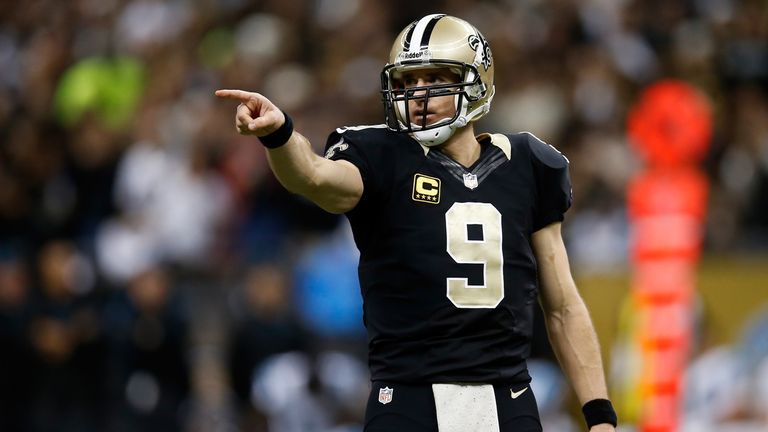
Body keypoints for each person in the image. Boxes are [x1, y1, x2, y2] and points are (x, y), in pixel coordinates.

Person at [217, 13, 617, 432]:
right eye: (408, 84)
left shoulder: (531, 166)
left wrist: (599, 415)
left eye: (433, 80)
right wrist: (279, 135)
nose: (417, 96)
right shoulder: (381, 156)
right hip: (409, 398)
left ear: (477, 81)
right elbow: (314, 175)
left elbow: (563, 305)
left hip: (507, 397)